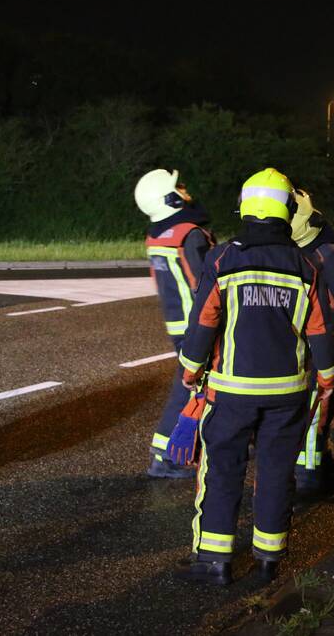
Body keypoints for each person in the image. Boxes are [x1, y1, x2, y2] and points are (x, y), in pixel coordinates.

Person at [174, 168, 334, 585]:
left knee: (223, 470)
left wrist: (191, 370)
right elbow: (320, 328)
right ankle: (268, 560)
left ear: (246, 207)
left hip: (231, 392)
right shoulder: (306, 264)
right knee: (276, 472)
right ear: (286, 210)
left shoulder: (225, 258)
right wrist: (327, 376)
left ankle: (215, 561)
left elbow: (204, 320)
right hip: (288, 393)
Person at [133, 168, 214, 478]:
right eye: (177, 188)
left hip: (177, 323)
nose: (184, 190)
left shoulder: (156, 235)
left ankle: (202, 442)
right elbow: (205, 285)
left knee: (197, 383)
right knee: (192, 386)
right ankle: (166, 456)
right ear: (169, 199)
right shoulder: (189, 235)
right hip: (199, 323)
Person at [289, 189, 334, 494]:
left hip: (289, 343)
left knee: (297, 404)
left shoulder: (285, 251)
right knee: (319, 403)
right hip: (320, 341)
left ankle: (318, 461)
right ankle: (310, 474)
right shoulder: (326, 253)